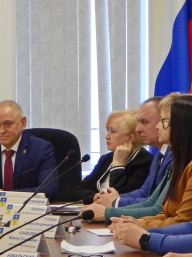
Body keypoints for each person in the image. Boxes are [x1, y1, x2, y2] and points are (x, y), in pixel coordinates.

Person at [82, 94, 180, 223]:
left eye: (145, 122)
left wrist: (113, 206)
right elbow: (145, 194)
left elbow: (156, 206)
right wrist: (108, 200)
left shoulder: (157, 160)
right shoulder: (160, 155)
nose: (138, 129)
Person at [113, 95, 192, 247]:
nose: (158, 126)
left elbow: (185, 223)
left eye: (163, 121)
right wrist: (138, 223)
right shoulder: (176, 162)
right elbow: (165, 212)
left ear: (181, 126)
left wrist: (143, 233)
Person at [73, 109, 152, 201]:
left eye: (113, 131)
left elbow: (121, 197)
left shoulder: (144, 162)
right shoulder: (106, 158)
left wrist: (118, 165)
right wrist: (96, 196)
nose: (107, 136)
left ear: (130, 137)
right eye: (107, 130)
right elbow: (78, 190)